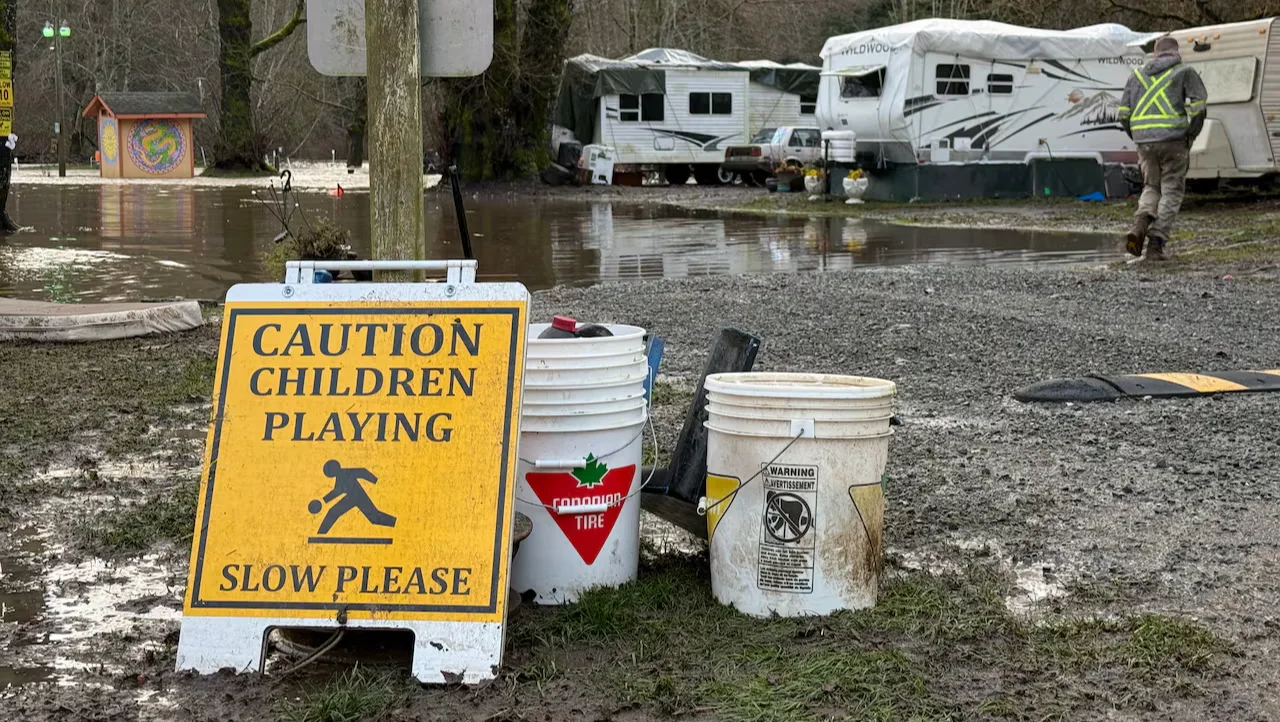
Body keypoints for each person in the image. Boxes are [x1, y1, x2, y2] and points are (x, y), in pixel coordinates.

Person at [1118, 36, 1208, 261]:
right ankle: (1155, 246)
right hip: (1174, 141)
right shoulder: (1184, 71)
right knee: (1171, 190)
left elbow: (1123, 114)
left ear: (1155, 53)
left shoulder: (1136, 75)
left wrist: (1137, 136)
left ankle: (1139, 226)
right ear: (1176, 52)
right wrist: (1191, 135)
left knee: (1151, 187)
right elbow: (1199, 108)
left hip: (1144, 142)